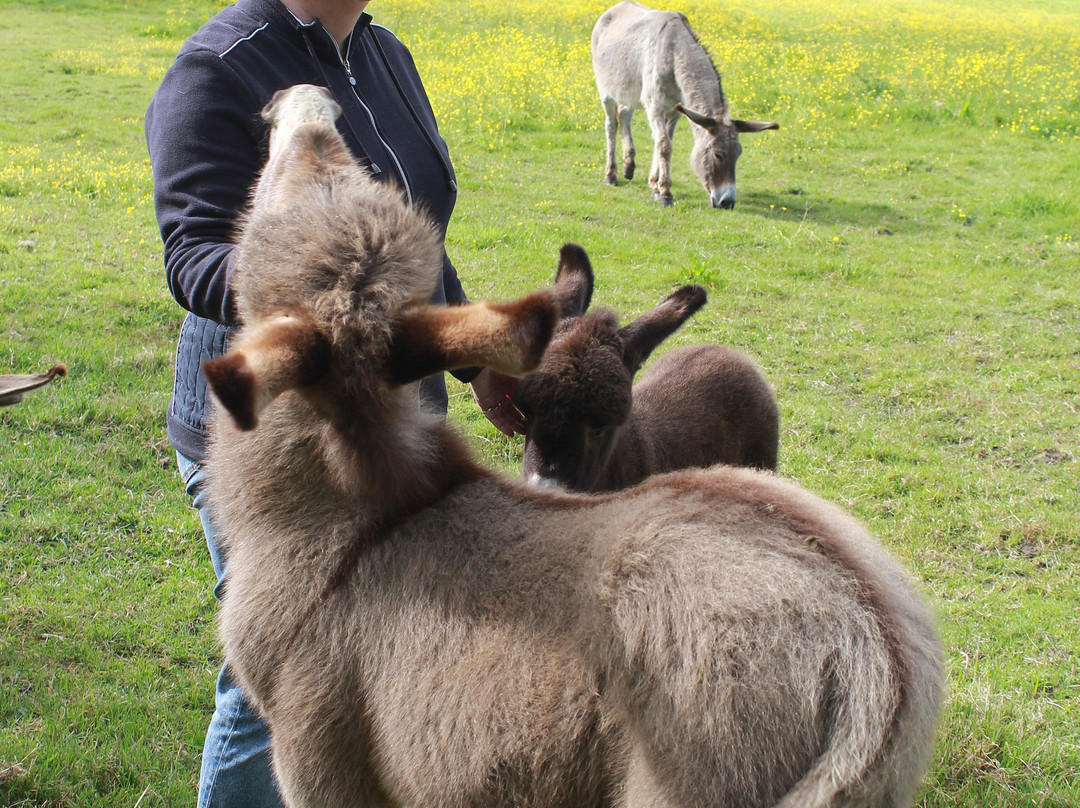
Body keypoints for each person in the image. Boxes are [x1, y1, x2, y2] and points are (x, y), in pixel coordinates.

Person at [146, 1, 523, 804]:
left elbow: (411, 240)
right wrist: (318, 304)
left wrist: (476, 367)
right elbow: (192, 256)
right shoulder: (218, 66)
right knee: (286, 673)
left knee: (377, 647)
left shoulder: (383, 52)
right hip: (271, 433)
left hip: (390, 420)